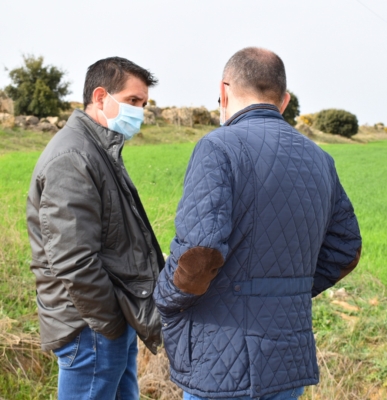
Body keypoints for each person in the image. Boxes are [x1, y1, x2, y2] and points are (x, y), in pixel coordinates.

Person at [153, 47, 362, 400]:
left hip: (221, 356)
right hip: (288, 357)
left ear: (223, 91)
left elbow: (199, 254)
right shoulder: (319, 158)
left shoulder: (218, 147)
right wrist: (286, 290)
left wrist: (165, 299)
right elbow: (346, 250)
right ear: (284, 100)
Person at [26, 57, 165, 400]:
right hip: (90, 328)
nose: (140, 112)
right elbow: (74, 261)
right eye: (133, 101)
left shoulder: (99, 149)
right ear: (101, 97)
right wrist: (111, 327)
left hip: (107, 322)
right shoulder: (74, 157)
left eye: (144, 104)